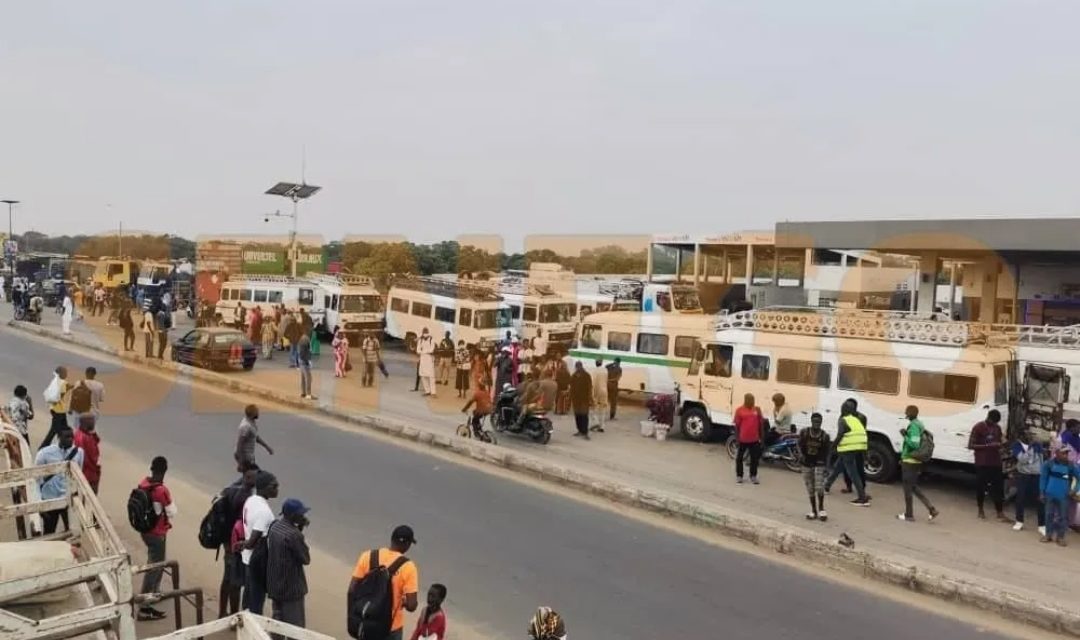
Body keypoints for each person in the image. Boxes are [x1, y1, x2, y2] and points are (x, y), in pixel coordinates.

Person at [349, 525, 419, 640]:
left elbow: (352, 589)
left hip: (366, 621)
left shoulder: (368, 556)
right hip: (390, 628)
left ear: (392, 539)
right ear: (407, 544)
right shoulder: (408, 567)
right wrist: (404, 602)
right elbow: (412, 606)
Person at [136, 456, 176, 621]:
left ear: (151, 468)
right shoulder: (161, 490)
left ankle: (155, 592)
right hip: (157, 533)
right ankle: (144, 607)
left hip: (145, 530)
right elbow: (172, 512)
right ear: (165, 470)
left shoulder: (143, 483)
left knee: (156, 563)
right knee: (155, 567)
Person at [221, 463, 260, 618]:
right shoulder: (245, 497)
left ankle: (222, 612)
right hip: (236, 541)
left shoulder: (231, 489)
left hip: (227, 539)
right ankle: (233, 615)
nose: (254, 479)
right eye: (252, 476)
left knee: (228, 578)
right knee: (235, 581)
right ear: (246, 476)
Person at [267, 498, 312, 632]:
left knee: (277, 623)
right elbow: (305, 559)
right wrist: (299, 530)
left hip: (275, 584)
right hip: (291, 588)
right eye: (301, 514)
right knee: (295, 629)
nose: (303, 516)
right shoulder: (294, 534)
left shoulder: (275, 527)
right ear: (293, 515)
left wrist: (298, 529)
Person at [242, 471, 280, 615]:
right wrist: (243, 544)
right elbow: (252, 541)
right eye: (274, 486)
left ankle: (244, 620)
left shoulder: (251, 500)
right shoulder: (264, 512)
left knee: (248, 596)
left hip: (247, 558)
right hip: (257, 562)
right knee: (256, 601)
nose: (277, 489)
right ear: (264, 487)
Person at [34, 425, 83, 535]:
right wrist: (39, 503)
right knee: (49, 532)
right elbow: (36, 480)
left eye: (72, 436)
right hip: (50, 498)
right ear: (59, 437)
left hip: (68, 499)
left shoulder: (79, 452)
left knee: (73, 532)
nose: (70, 439)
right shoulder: (44, 453)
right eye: (67, 437)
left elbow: (79, 478)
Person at [824, 400, 871, 506]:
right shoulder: (855, 419)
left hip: (849, 447)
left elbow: (840, 435)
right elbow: (862, 434)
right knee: (838, 467)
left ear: (844, 410)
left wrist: (833, 447)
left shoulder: (843, 420)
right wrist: (865, 454)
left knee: (853, 473)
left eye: (842, 408)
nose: (841, 409)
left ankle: (862, 498)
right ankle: (826, 486)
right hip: (859, 446)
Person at [897, 405, 939, 522]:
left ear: (910, 413)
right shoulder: (919, 424)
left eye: (907, 412)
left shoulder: (914, 426)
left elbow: (914, 444)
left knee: (908, 489)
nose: (905, 414)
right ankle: (931, 509)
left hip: (910, 461)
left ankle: (909, 515)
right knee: (913, 487)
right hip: (913, 461)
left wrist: (905, 435)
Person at [968, 409, 1009, 521]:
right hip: (982, 462)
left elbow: (1001, 440)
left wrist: (1003, 444)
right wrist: (988, 446)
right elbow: (971, 445)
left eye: (996, 423)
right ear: (988, 418)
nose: (994, 424)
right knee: (981, 487)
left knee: (998, 487)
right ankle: (980, 510)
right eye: (993, 422)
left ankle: (1000, 512)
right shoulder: (978, 427)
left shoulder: (997, 428)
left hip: (995, 462)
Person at [1040, 447, 1079, 546]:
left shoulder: (1071, 466)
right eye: (1063, 453)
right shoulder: (1049, 464)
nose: (1066, 455)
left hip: (1063, 496)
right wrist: (1041, 492)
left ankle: (1060, 537)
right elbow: (1043, 478)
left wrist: (1074, 490)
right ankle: (1048, 535)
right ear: (1056, 453)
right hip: (1049, 494)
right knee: (1048, 515)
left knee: (1063, 517)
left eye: (1067, 453)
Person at [1011, 429, 1046, 535]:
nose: (1029, 437)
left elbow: (1041, 459)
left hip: (1037, 475)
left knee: (1040, 499)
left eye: (1030, 435)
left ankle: (1042, 525)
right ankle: (1019, 521)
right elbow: (1022, 459)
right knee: (1020, 498)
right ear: (1021, 437)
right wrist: (1031, 449)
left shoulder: (1038, 446)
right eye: (1026, 435)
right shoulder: (1017, 446)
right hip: (1024, 475)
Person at [798, 412, 830, 521]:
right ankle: (813, 510)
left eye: (819, 422)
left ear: (821, 422)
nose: (817, 423)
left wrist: (827, 467)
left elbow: (827, 453)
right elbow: (798, 444)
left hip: (819, 464)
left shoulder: (824, 436)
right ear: (811, 421)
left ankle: (821, 509)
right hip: (806, 463)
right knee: (810, 488)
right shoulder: (805, 433)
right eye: (815, 421)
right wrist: (800, 455)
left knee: (819, 487)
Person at [733, 393, 764, 484]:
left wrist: (762, 438)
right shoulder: (739, 410)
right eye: (750, 400)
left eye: (753, 400)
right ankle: (739, 476)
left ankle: (753, 476)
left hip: (754, 439)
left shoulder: (757, 410)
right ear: (746, 400)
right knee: (739, 458)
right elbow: (737, 426)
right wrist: (737, 439)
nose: (752, 402)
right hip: (743, 439)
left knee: (754, 459)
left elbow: (761, 424)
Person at [41, 366, 70, 450]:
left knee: (63, 428)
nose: (66, 374)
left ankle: (65, 444)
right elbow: (61, 395)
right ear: (61, 374)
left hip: (54, 409)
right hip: (59, 410)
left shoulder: (55, 381)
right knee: (55, 430)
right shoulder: (63, 383)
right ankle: (43, 447)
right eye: (65, 372)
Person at [73, 414, 101, 493]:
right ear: (85, 422)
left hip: (89, 473)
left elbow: (97, 441)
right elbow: (88, 458)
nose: (94, 423)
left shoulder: (82, 433)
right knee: (90, 496)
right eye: (92, 421)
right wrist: (96, 469)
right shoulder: (83, 438)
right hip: (89, 474)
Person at [589, 360, 608, 433]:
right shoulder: (605, 370)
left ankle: (596, 422)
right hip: (604, 391)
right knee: (603, 409)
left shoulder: (595, 371)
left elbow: (594, 382)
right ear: (601, 363)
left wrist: (593, 394)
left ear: (595, 364)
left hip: (597, 391)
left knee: (593, 409)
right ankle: (602, 426)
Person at [417, 328, 437, 396]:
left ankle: (433, 392)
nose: (425, 334)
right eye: (424, 333)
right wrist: (425, 352)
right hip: (423, 359)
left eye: (426, 333)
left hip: (429, 359)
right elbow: (417, 350)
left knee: (431, 376)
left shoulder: (431, 339)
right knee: (423, 375)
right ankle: (427, 391)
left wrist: (423, 352)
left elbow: (431, 349)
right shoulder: (420, 340)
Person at [298, 333, 315, 400]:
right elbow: (303, 352)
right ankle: (308, 394)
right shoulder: (305, 339)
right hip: (304, 361)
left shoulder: (303, 338)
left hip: (302, 361)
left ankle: (303, 393)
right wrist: (307, 361)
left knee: (303, 378)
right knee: (308, 378)